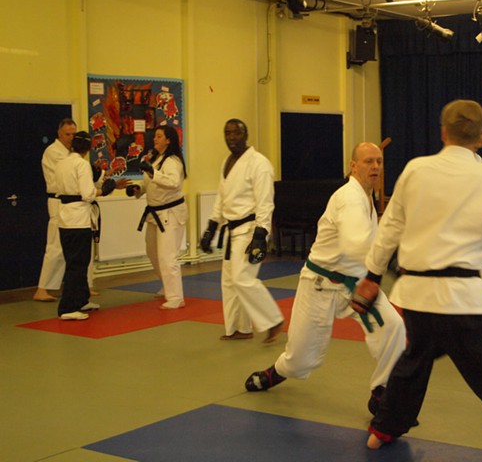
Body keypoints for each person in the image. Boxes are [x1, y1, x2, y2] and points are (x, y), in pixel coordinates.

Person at [357, 100, 482, 461]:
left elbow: (390, 226)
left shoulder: (415, 170)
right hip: (464, 302)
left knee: (417, 358)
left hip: (417, 298)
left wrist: (372, 276)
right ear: (481, 137)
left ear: (443, 133)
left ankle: (383, 429)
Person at [243, 143, 406, 416]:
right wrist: (392, 264)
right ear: (353, 166)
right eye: (368, 161)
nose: (375, 166)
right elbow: (356, 245)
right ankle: (276, 372)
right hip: (320, 284)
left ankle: (382, 392)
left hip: (356, 283)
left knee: (393, 327)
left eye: (379, 161)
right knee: (300, 359)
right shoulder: (349, 198)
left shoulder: (368, 198)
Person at [200, 119, 284, 343]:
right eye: (227, 133)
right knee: (228, 282)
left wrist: (261, 235)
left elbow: (265, 202)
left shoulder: (259, 163)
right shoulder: (227, 162)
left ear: (246, 135)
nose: (231, 138)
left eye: (236, 133)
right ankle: (240, 328)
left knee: (242, 278)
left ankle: (273, 319)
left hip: (249, 229)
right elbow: (222, 197)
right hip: (231, 229)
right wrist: (211, 227)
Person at [55, 132, 127, 320]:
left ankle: (81, 300)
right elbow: (88, 194)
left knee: (77, 262)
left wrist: (107, 184)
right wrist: (105, 190)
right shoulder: (81, 164)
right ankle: (67, 308)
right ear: (88, 148)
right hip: (78, 219)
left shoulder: (62, 163)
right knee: (78, 264)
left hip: (65, 217)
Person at [128, 125, 188, 310]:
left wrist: (153, 173)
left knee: (167, 256)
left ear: (168, 140)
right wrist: (138, 189)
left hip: (170, 213)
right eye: (155, 136)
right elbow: (151, 184)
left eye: (159, 136)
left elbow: (173, 182)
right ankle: (167, 285)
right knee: (152, 252)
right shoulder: (156, 159)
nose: (155, 139)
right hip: (155, 213)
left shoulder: (173, 161)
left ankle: (176, 297)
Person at [33, 119, 76, 302]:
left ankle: (75, 285)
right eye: (67, 134)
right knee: (55, 245)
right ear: (59, 134)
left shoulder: (71, 152)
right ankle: (42, 289)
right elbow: (68, 174)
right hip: (58, 201)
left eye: (73, 134)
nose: (71, 138)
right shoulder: (53, 151)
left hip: (70, 202)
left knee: (71, 246)